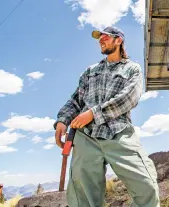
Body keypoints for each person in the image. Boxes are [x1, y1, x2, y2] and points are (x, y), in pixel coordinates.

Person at [54, 26, 159, 207]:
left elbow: (129, 98)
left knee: (146, 185)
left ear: (118, 40)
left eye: (105, 37)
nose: (101, 40)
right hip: (86, 136)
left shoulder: (132, 69)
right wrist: (62, 121)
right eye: (99, 38)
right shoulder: (90, 71)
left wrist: (94, 113)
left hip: (119, 132)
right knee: (82, 198)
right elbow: (76, 100)